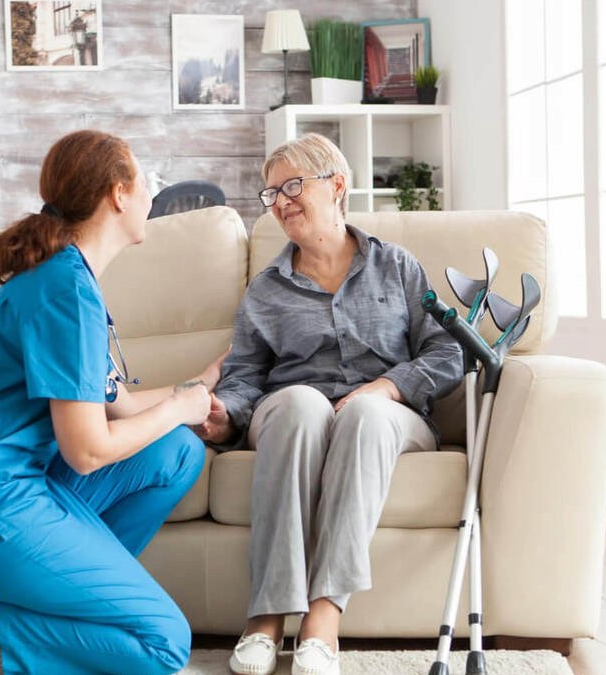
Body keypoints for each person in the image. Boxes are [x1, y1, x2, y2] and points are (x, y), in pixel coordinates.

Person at [0, 130, 221, 675]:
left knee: (177, 452)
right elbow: (87, 450)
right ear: (118, 194)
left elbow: (122, 408)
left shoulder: (66, 278)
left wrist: (195, 391)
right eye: (146, 182)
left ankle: (78, 612)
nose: (150, 196)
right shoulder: (65, 292)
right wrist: (180, 408)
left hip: (3, 483)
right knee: (163, 644)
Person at [195, 133, 463, 675]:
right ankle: (267, 617)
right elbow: (246, 377)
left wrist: (387, 387)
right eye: (272, 194)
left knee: (364, 413)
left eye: (293, 186)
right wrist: (225, 416)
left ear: (337, 186)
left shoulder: (397, 267)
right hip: (292, 409)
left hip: (389, 414)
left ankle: (323, 620)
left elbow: (446, 350)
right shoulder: (266, 289)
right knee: (299, 403)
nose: (282, 202)